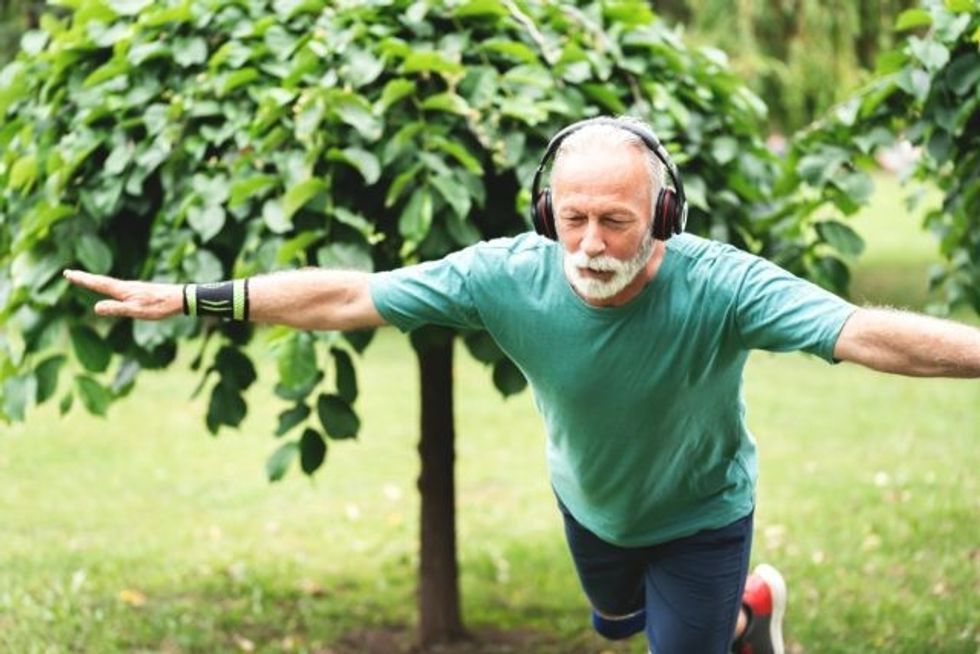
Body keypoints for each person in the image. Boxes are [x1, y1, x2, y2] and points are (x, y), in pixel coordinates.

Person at [64, 116, 980, 654]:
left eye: (616, 222)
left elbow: (862, 333)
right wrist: (191, 297)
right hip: (590, 506)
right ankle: (751, 616)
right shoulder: (506, 273)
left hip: (704, 515)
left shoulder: (724, 285)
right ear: (546, 211)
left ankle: (733, 616)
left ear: (661, 217)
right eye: (571, 218)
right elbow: (349, 294)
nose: (588, 244)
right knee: (615, 628)